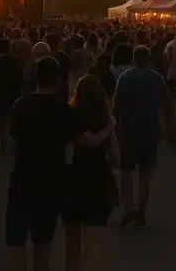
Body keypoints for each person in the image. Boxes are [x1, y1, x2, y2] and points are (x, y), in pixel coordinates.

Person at [7, 56, 77, 271]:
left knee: (17, 241)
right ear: (57, 79)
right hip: (51, 180)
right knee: (43, 241)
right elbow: (72, 143)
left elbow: (14, 134)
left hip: (23, 177)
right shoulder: (64, 111)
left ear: (35, 77)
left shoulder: (21, 105)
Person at [112, 45, 173, 228]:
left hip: (128, 129)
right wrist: (171, 127)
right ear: (148, 60)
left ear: (133, 59)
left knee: (127, 171)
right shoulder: (157, 78)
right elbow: (167, 104)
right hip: (150, 129)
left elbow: (116, 105)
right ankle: (142, 211)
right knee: (145, 172)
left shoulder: (124, 78)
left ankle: (128, 207)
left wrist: (113, 128)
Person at [63, 74, 119, 271]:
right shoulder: (106, 121)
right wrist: (109, 129)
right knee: (95, 243)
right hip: (99, 181)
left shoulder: (71, 117)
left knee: (72, 241)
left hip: (73, 180)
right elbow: (114, 157)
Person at [0, 38, 24, 154]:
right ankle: (14, 139)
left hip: (0, 92)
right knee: (11, 117)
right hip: (13, 92)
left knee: (0, 120)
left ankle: (2, 142)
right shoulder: (15, 60)